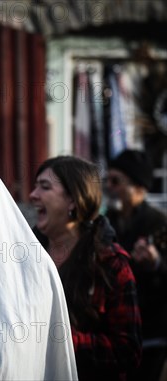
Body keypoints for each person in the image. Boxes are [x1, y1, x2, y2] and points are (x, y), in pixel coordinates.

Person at [30, 155, 142, 380]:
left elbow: (128, 352)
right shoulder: (25, 255)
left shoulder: (111, 264)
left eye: (45, 187)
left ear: (73, 199)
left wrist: (63, 340)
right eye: (35, 186)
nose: (33, 195)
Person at [105, 149, 167, 381]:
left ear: (139, 188)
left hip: (150, 331)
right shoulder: (107, 221)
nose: (109, 186)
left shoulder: (159, 222)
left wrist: (156, 262)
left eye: (116, 181)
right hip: (114, 329)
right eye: (107, 180)